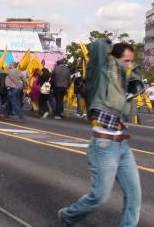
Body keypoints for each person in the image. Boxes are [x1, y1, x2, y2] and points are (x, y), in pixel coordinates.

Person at [59, 41, 144, 227]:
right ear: (113, 60)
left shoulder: (124, 84)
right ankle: (67, 216)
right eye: (126, 61)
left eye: (132, 61)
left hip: (122, 145)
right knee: (99, 197)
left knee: (134, 196)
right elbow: (98, 47)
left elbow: (134, 82)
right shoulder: (102, 75)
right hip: (104, 146)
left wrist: (130, 72)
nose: (129, 65)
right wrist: (111, 49)